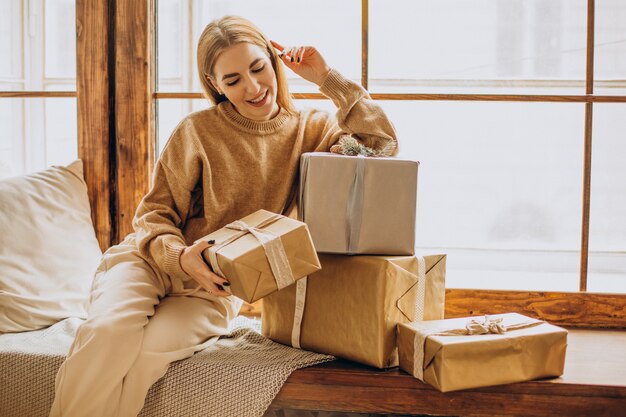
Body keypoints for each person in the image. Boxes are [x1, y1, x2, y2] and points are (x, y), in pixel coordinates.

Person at [49, 14, 397, 417]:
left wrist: (327, 79)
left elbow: (380, 145)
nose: (252, 88)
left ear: (272, 60)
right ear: (214, 84)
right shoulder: (197, 130)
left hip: (215, 288)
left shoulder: (313, 129)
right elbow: (154, 214)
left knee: (146, 359)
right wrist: (179, 258)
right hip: (151, 263)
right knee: (108, 335)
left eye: (257, 68)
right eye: (232, 80)